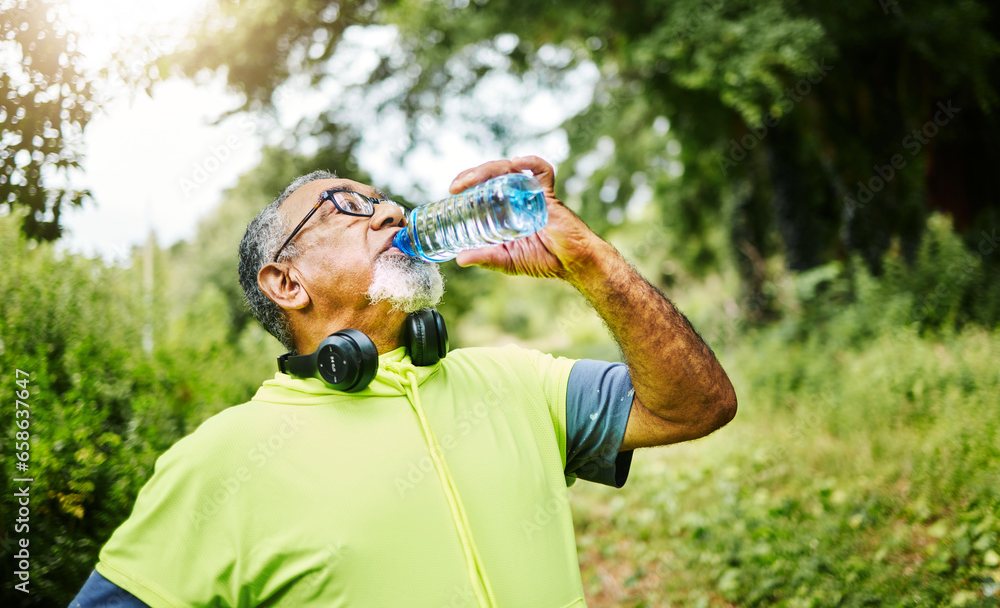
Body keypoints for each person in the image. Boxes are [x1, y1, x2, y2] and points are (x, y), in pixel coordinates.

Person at [70, 156, 736, 607]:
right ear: (286, 281)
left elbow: (698, 405)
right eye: (345, 207)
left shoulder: (516, 378)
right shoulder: (222, 460)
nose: (389, 212)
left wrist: (587, 259)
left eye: (383, 199)